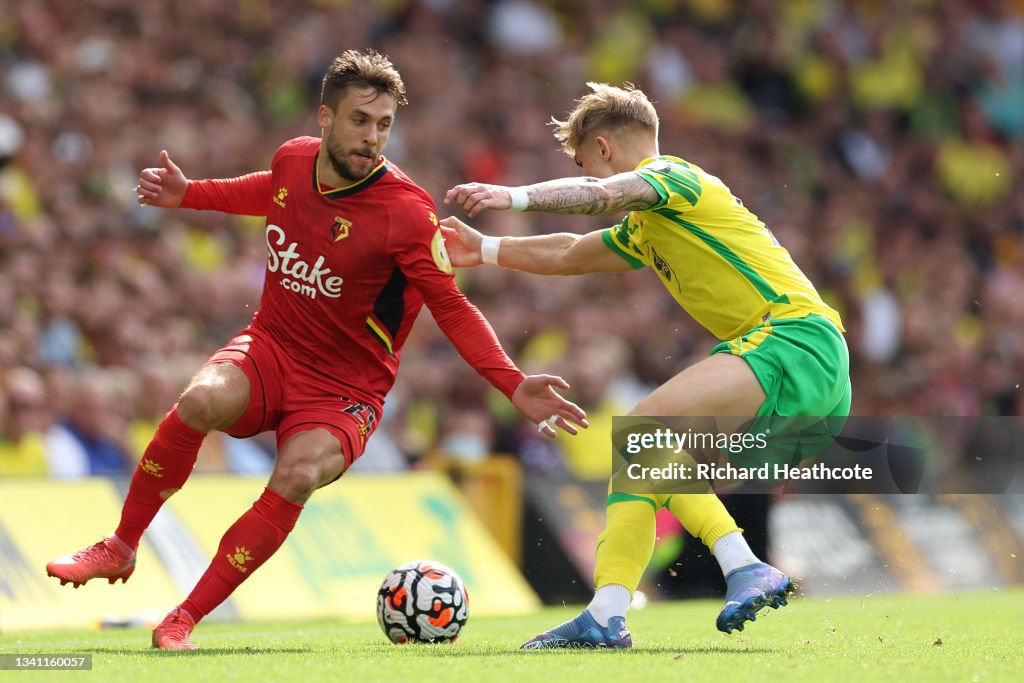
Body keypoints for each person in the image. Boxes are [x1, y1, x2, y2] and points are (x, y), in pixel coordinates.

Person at [45, 49, 587, 650]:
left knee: (297, 473)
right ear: (324, 117)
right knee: (199, 400)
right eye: (360, 120)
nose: (372, 138)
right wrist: (190, 193)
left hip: (347, 388)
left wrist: (513, 383)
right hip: (272, 345)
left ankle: (182, 618)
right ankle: (120, 546)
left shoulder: (406, 212)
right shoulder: (292, 158)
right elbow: (271, 191)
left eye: (384, 125)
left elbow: (452, 306)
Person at [442, 82, 851, 648]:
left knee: (642, 430)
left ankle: (745, 566)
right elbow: (567, 253)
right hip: (803, 369)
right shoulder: (649, 225)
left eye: (585, 160)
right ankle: (607, 611)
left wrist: (511, 198)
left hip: (794, 340)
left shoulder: (678, 178)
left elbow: (599, 194)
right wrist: (484, 249)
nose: (588, 172)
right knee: (641, 461)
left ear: (603, 150)